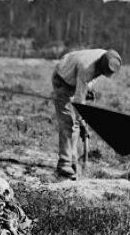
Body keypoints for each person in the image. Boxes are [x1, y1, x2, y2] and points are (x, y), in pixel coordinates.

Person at [52, 49, 122, 179]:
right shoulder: (87, 67)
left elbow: (88, 81)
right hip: (62, 79)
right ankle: (64, 163)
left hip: (75, 78)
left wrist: (87, 89)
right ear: (101, 65)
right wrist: (83, 119)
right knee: (68, 121)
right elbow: (79, 101)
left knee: (76, 124)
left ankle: (74, 161)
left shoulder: (107, 57)